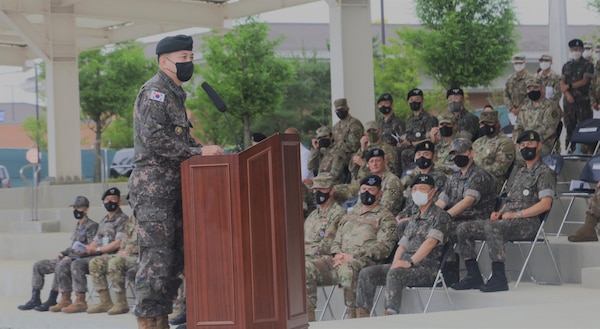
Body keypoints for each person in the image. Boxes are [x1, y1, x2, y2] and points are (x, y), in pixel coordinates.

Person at [127, 34, 224, 328]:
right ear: (164, 61)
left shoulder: (175, 94)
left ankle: (161, 320)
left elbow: (178, 137)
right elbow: (154, 139)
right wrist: (197, 151)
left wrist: (208, 152)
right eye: (183, 58)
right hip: (154, 190)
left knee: (172, 261)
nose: (189, 63)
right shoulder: (155, 92)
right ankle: (148, 322)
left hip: (176, 189)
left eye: (191, 58)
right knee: (156, 261)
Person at [452, 130, 555, 292]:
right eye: (523, 145)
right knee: (463, 228)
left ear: (539, 146)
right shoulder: (520, 172)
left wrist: (517, 214)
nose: (526, 148)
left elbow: (545, 204)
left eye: (530, 144)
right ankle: (473, 274)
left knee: (493, 227)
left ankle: (499, 276)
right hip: (507, 219)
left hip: (528, 222)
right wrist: (499, 212)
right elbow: (511, 199)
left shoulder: (544, 172)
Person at [355, 174, 450, 317]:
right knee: (366, 273)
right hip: (404, 264)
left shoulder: (440, 216)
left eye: (422, 189)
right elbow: (402, 245)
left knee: (395, 273)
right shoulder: (414, 217)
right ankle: (362, 319)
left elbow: (430, 243)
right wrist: (396, 262)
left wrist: (409, 262)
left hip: (426, 268)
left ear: (433, 192)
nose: (418, 192)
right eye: (415, 189)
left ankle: (390, 319)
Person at [305, 175, 397, 319]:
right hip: (338, 262)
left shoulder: (385, 217)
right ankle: (308, 319)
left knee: (348, 269)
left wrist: (353, 256)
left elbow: (384, 247)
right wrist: (337, 254)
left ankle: (353, 319)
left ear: (380, 193)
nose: (367, 193)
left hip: (364, 263)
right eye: (364, 189)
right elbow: (336, 240)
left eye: (371, 190)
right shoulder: (350, 215)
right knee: (306, 267)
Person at [18, 196, 98, 312]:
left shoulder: (92, 225)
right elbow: (73, 246)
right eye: (75, 207)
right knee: (38, 265)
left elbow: (90, 248)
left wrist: (69, 256)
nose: (76, 210)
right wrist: (63, 252)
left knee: (61, 264)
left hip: (79, 260)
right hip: (70, 257)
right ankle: (35, 298)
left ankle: (53, 298)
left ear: (86, 209)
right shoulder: (77, 225)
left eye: (79, 207)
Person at [434, 138, 497, 285]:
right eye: (454, 154)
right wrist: (431, 216)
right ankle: (445, 272)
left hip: (478, 220)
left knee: (455, 229)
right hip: (459, 219)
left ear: (471, 153)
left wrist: (446, 216)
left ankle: (471, 273)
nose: (457, 156)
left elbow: (468, 201)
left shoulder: (479, 175)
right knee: (433, 227)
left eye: (461, 152)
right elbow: (442, 201)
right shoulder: (453, 178)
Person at [60, 187, 129, 314]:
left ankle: (83, 301)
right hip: (99, 254)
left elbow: (117, 243)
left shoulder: (123, 219)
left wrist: (97, 249)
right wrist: (87, 249)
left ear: (119, 202)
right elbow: (96, 239)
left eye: (113, 199)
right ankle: (80, 300)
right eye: (107, 200)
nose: (110, 202)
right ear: (103, 202)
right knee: (70, 261)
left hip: (113, 255)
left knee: (79, 264)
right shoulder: (103, 220)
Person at [304, 173, 346, 321]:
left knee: (304, 267)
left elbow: (328, 245)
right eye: (315, 190)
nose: (318, 193)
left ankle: (308, 318)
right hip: (309, 258)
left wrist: (301, 252)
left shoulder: (338, 214)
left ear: (331, 190)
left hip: (328, 262)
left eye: (322, 189)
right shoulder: (312, 216)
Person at [87, 211, 139, 315]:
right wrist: (122, 249)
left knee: (115, 262)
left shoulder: (148, 217)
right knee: (95, 262)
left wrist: (129, 251)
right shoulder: (132, 217)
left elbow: (152, 243)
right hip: (124, 253)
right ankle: (105, 301)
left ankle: (121, 303)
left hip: (139, 256)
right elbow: (125, 237)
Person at [397, 141, 447, 236]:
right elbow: (409, 204)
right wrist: (400, 215)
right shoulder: (415, 178)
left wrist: (413, 218)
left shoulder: (439, 177)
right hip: (412, 217)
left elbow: (434, 204)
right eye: (419, 154)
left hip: (428, 219)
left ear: (433, 157)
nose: (422, 157)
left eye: (426, 154)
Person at [335, 149, 404, 216]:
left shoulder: (392, 181)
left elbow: (386, 207)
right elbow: (359, 204)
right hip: (366, 215)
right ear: (368, 164)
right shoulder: (368, 181)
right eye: (371, 161)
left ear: (385, 161)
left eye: (378, 160)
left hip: (383, 218)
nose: (374, 164)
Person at [512, 77, 562, 156]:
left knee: (519, 155)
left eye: (535, 88)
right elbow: (518, 128)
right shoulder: (524, 107)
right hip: (524, 144)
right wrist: (517, 141)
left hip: (544, 145)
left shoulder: (551, 106)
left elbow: (548, 129)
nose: (532, 91)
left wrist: (528, 141)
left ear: (542, 89)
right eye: (529, 88)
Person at [560, 38, 594, 153]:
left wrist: (569, 86)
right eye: (574, 49)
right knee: (570, 129)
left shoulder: (588, 65)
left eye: (578, 49)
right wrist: (567, 94)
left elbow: (585, 81)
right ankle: (570, 152)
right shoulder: (566, 66)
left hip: (583, 103)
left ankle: (588, 153)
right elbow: (562, 84)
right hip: (569, 104)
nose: (576, 51)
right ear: (570, 50)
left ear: (582, 49)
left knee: (586, 129)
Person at [397, 88, 438, 176]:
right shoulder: (409, 120)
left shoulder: (429, 119)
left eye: (417, 99)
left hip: (423, 151)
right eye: (411, 100)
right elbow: (407, 137)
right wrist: (402, 143)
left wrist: (411, 143)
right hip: (408, 154)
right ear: (408, 102)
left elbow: (430, 140)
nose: (414, 102)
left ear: (422, 101)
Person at [472, 110, 515, 193]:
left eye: (489, 123)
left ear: (497, 123)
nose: (485, 126)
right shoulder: (477, 142)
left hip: (493, 181)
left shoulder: (504, 142)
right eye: (483, 123)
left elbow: (500, 169)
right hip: (474, 179)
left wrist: (477, 172)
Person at [332, 98, 365, 165]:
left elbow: (354, 146)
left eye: (342, 109)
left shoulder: (354, 124)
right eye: (338, 110)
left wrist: (337, 145)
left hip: (353, 159)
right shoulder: (335, 127)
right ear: (335, 111)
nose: (340, 112)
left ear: (348, 109)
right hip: (339, 159)